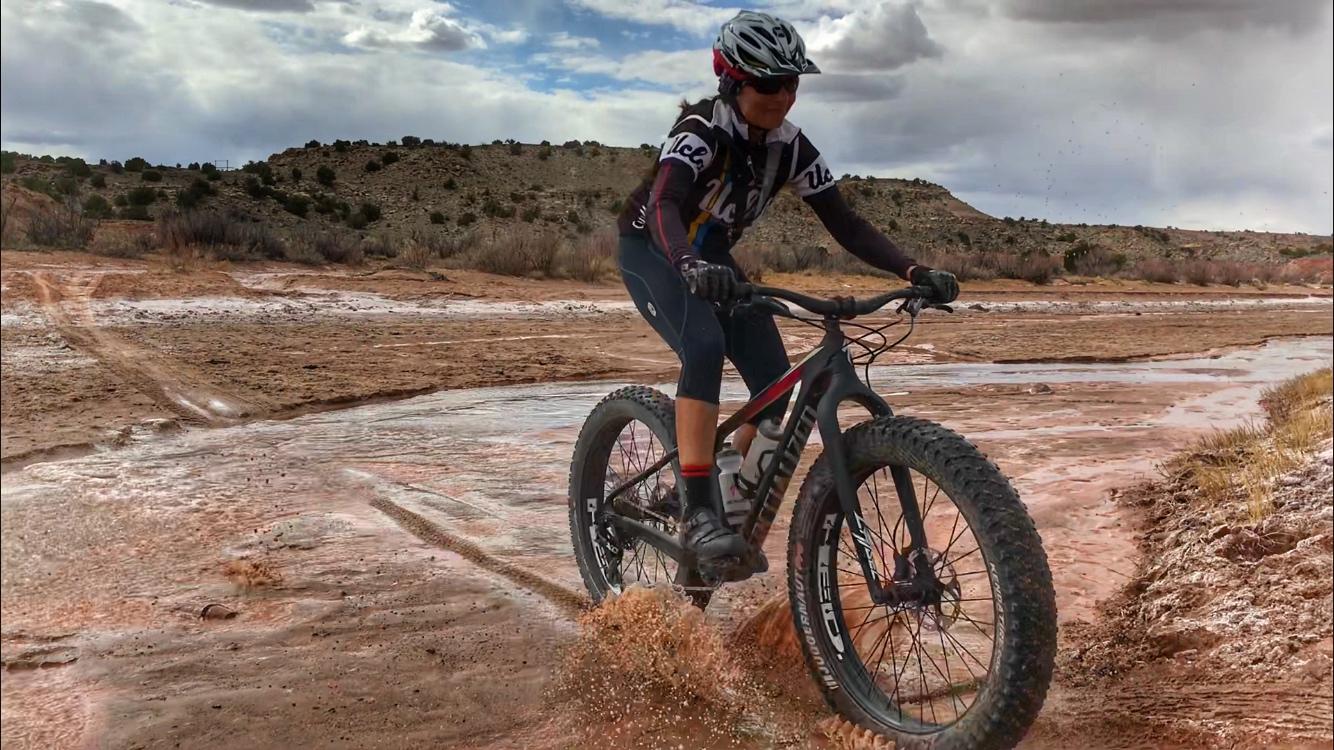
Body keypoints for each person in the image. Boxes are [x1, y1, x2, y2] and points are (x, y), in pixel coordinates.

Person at [615, 10, 959, 568]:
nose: (783, 95)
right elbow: (664, 204)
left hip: (713, 259)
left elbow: (846, 225)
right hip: (653, 250)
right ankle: (699, 511)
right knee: (702, 346)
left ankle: (713, 486)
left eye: (793, 82)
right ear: (732, 80)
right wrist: (684, 262)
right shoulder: (701, 131)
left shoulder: (792, 148)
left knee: (776, 390)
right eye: (769, 83)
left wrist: (913, 273)